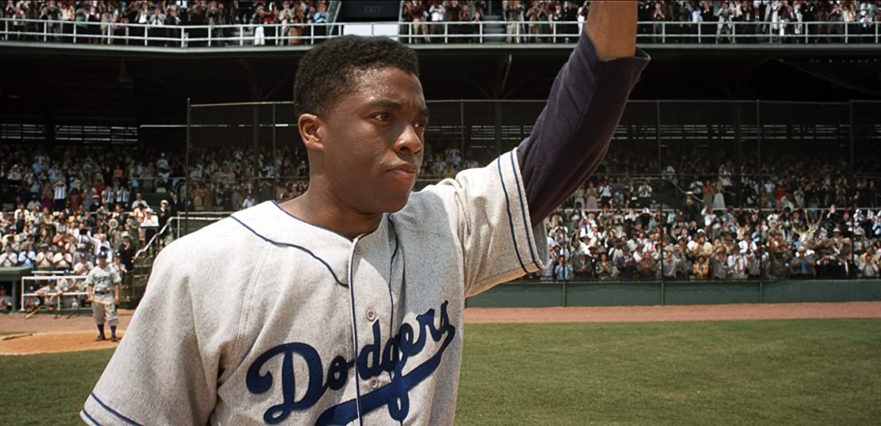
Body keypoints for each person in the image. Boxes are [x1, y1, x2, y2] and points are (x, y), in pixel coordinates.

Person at [82, 2, 646, 424]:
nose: (412, 140)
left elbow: (571, 134)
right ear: (313, 131)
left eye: (420, 123)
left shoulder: (442, 225)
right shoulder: (203, 266)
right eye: (384, 117)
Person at [85, 252, 121, 342]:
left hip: (108, 294)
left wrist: (116, 296)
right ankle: (101, 334)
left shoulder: (111, 270)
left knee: (111, 314)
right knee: (98, 316)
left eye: (103, 258)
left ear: (106, 259)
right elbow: (89, 284)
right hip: (97, 295)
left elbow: (116, 284)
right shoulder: (94, 271)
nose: (102, 259)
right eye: (100, 258)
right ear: (98, 258)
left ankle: (113, 334)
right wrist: (90, 294)